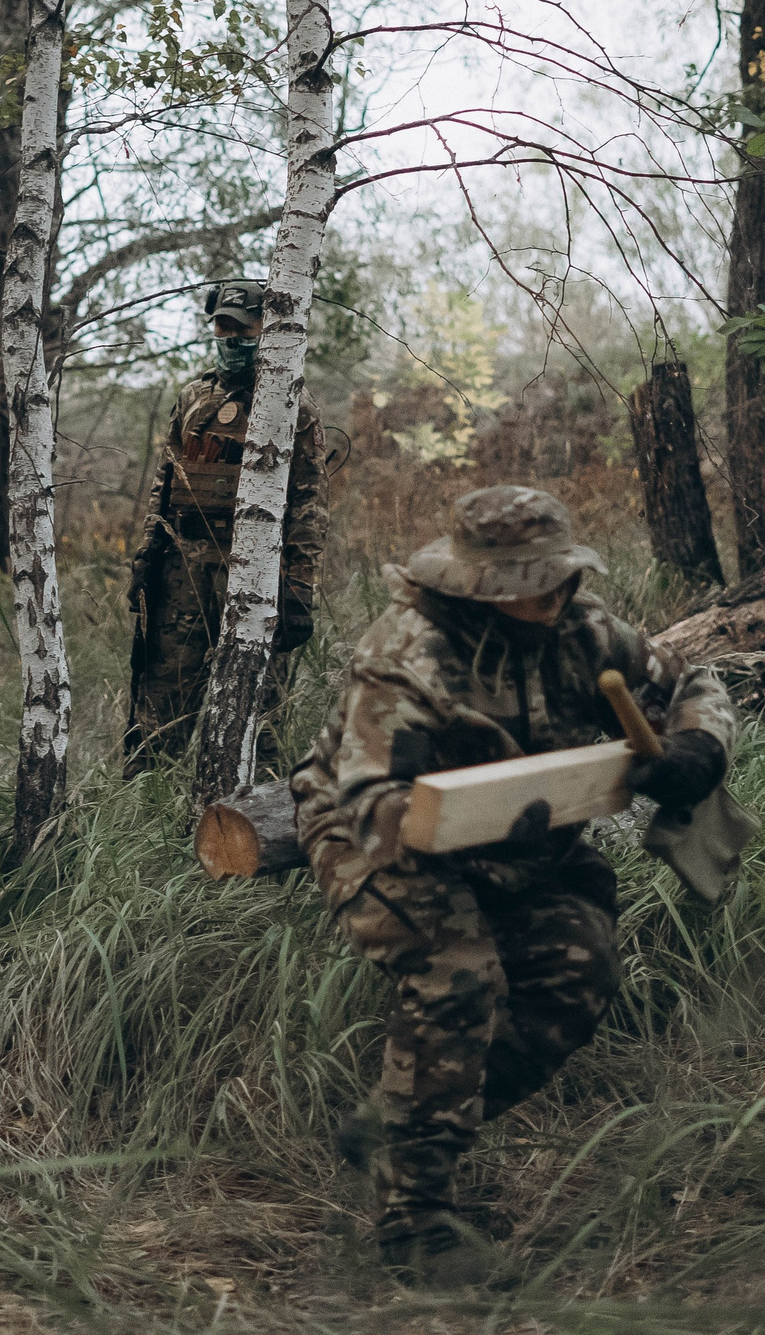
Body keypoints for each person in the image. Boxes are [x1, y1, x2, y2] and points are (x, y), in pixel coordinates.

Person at [289, 485, 741, 1279]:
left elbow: (690, 679)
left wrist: (698, 744)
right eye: (522, 583)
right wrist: (482, 814)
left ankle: (399, 1123)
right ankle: (416, 1226)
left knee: (579, 973)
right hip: (377, 835)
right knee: (458, 982)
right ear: (476, 584)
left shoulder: (586, 631)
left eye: (552, 578)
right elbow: (371, 806)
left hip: (528, 828)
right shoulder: (407, 656)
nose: (544, 597)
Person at [124, 281, 330, 773]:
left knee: (258, 713)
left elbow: (309, 504)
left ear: (267, 330)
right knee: (160, 705)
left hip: (256, 574)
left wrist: (299, 588)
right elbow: (165, 479)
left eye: (243, 327)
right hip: (182, 571)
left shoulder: (291, 405)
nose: (230, 335)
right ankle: (141, 813)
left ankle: (252, 824)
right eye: (222, 325)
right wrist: (147, 554)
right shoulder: (194, 396)